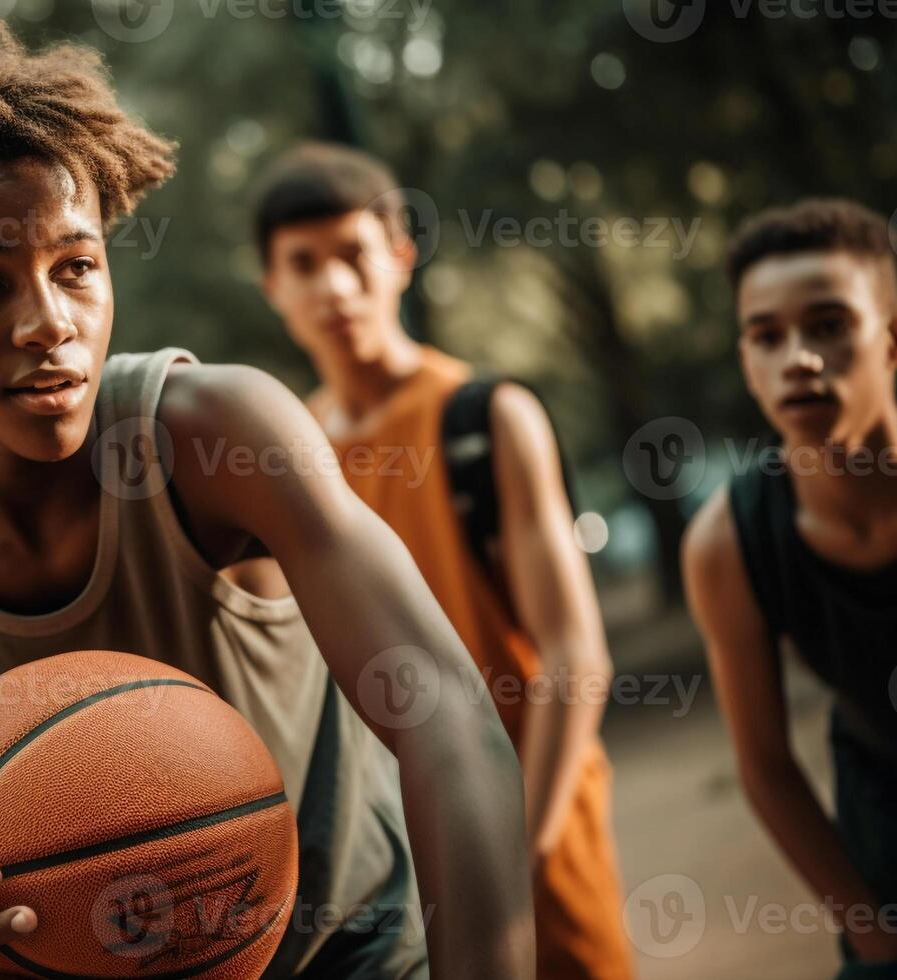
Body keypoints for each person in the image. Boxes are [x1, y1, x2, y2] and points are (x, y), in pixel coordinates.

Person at [0, 23, 535, 980]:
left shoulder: (218, 434)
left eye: (75, 267)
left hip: (350, 950)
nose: (49, 323)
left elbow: (447, 714)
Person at [250, 143, 634, 979]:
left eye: (352, 255)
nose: (333, 288)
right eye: (303, 265)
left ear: (399, 255)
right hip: (386, 868)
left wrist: (515, 847)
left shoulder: (486, 416)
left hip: (539, 826)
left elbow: (575, 653)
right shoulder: (282, 456)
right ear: (271, 286)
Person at [683, 199, 897, 977]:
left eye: (826, 325)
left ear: (896, 339)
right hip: (889, 835)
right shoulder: (729, 541)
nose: (798, 358)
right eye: (766, 336)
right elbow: (764, 767)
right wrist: (877, 942)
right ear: (746, 362)